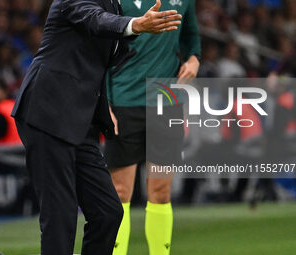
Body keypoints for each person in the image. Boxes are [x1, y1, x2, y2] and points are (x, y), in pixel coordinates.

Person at [11, 0, 182, 255]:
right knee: (61, 214)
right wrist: (136, 24)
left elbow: (108, 50)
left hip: (81, 120)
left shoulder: (114, 4)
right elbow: (97, 20)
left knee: (108, 212)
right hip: (49, 110)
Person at [105, 1, 201, 255]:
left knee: (160, 191)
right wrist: (103, 101)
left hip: (166, 101)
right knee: (120, 191)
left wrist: (193, 60)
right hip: (124, 101)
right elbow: (101, 46)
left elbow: (191, 37)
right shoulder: (117, 1)